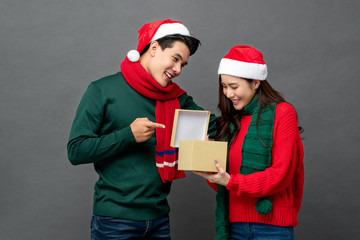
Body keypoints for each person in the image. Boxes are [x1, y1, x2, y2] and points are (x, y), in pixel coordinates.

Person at [67, 19, 216, 240]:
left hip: (159, 219)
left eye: (183, 65)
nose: (177, 70)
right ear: (154, 48)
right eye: (175, 59)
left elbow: (218, 126)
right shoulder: (102, 90)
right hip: (114, 221)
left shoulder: (177, 99)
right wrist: (128, 135)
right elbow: (76, 150)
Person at [194, 45, 304, 240]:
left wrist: (230, 181)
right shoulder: (229, 123)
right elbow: (227, 185)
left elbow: (281, 174)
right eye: (224, 86)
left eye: (234, 86)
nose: (228, 93)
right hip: (234, 227)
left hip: (272, 228)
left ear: (255, 83)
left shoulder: (283, 113)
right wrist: (211, 174)